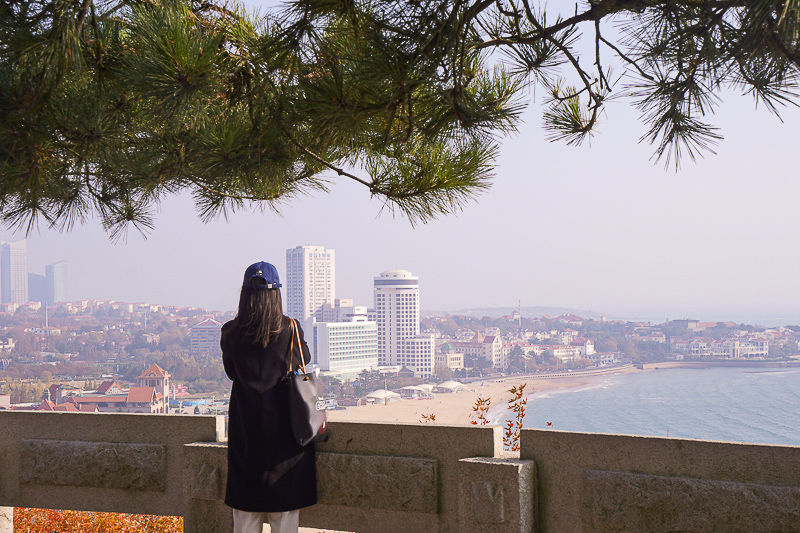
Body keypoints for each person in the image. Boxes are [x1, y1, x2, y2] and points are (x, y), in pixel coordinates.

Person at [221, 261, 316, 533]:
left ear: (244, 294)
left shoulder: (230, 332)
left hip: (245, 436)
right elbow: (304, 359)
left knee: (245, 519)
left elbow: (231, 372)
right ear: (277, 294)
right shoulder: (290, 329)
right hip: (287, 438)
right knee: (284, 520)